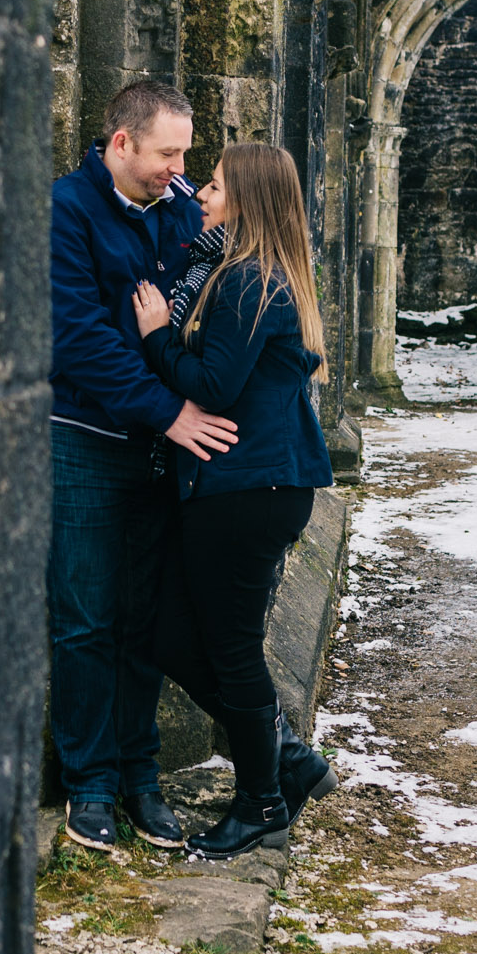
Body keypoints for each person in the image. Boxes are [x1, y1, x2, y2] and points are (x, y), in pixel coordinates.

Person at [50, 83, 240, 854]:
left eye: (187, 154)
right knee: (87, 617)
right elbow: (78, 337)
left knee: (143, 621)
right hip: (86, 440)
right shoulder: (66, 210)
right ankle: (89, 785)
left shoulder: (181, 205)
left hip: (165, 451)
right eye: (168, 153)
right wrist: (167, 410)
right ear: (121, 144)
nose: (181, 168)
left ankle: (141, 779)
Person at [132, 143, 338, 859]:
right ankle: (284, 761)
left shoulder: (251, 279)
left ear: (245, 199)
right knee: (171, 637)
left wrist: (157, 336)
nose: (203, 196)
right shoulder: (254, 273)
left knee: (232, 652)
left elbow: (213, 385)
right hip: (244, 486)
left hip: (249, 488)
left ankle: (259, 804)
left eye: (215, 185)